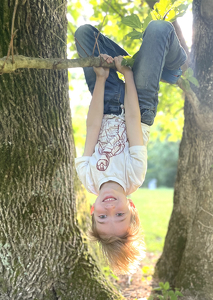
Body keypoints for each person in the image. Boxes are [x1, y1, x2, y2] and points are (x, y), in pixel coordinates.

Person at [74, 20, 187, 274]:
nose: (110, 208)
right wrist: (127, 75)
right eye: (120, 216)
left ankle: (137, 61)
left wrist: (102, 79)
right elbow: (133, 120)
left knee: (84, 34)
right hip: (140, 106)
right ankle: (173, 65)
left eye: (103, 217)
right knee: (160, 29)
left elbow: (93, 127)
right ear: (131, 208)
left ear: (93, 212)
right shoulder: (134, 175)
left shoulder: (88, 176)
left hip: (104, 100)